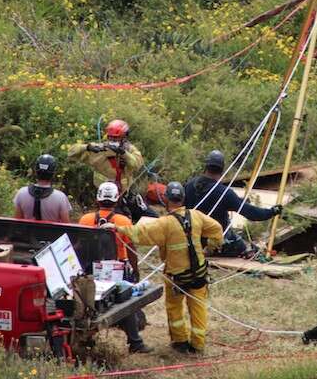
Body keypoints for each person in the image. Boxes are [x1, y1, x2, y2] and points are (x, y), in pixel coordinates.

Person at [116, 181, 223, 354]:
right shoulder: (197, 216)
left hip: (176, 277)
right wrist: (211, 247)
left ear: (166, 199)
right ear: (182, 198)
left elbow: (139, 233)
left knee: (174, 307)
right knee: (198, 308)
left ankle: (180, 341)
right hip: (199, 274)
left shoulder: (165, 223)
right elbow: (217, 229)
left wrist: (116, 228)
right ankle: (197, 345)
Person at [79, 182, 152, 354]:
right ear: (116, 199)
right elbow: (132, 250)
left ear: (98, 199)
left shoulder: (85, 219)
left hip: (90, 270)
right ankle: (135, 342)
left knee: (88, 304)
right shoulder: (123, 221)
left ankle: (86, 339)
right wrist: (135, 270)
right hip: (117, 271)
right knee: (127, 302)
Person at [184, 150, 283, 258]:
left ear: (206, 167)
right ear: (222, 170)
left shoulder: (189, 185)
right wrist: (272, 212)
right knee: (242, 246)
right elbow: (252, 214)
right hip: (213, 243)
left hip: (191, 240)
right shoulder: (224, 193)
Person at [68, 119, 157, 221]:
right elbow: (71, 152)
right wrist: (88, 147)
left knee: (153, 217)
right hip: (105, 199)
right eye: (111, 138)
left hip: (125, 196)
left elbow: (136, 164)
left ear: (124, 138)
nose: (113, 141)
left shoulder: (130, 150)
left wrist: (124, 153)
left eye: (116, 138)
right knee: (119, 222)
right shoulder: (98, 150)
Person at [13, 154, 71, 222]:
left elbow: (17, 222)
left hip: (27, 232)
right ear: (53, 173)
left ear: (36, 171)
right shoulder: (60, 197)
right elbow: (66, 226)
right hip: (51, 232)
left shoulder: (21, 193)